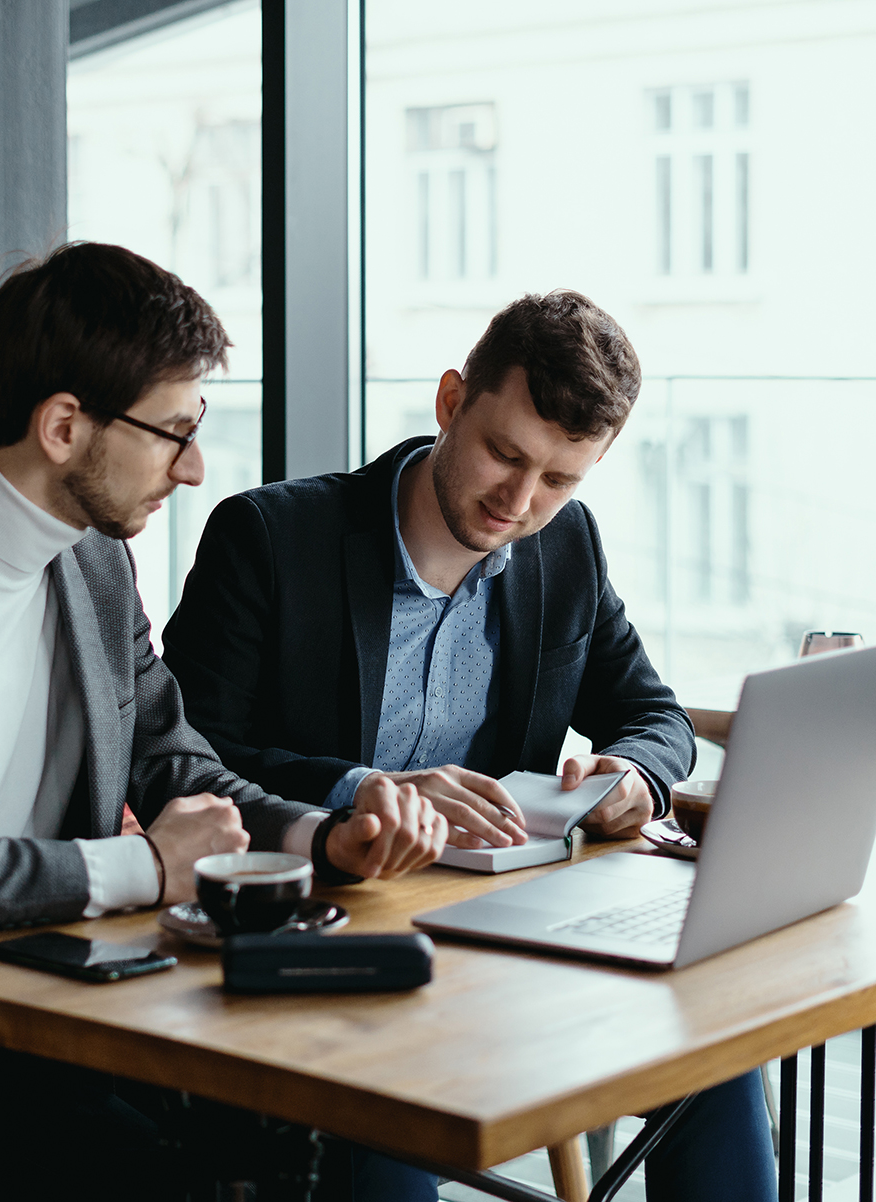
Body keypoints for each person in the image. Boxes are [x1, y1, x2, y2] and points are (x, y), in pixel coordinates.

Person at [163, 290, 779, 1201]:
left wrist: (637, 776)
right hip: (335, 933)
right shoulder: (271, 539)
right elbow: (190, 755)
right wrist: (365, 788)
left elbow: (654, 711)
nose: (521, 502)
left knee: (720, 1055)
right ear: (452, 400)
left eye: (561, 478)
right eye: (505, 453)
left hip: (506, 940)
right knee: (389, 1135)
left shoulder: (564, 545)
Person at [0, 241, 445, 1201]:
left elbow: (179, 765)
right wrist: (143, 868)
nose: (194, 468)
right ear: (63, 425)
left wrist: (322, 838)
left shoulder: (96, 567)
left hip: (51, 1043)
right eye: (172, 432)